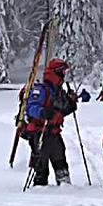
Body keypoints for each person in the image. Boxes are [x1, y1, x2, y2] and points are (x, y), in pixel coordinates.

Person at [24, 58, 77, 186]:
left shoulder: (59, 91)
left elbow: (62, 111)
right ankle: (40, 193)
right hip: (40, 132)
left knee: (61, 161)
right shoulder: (41, 89)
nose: (64, 75)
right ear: (56, 72)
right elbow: (31, 108)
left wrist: (71, 104)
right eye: (62, 71)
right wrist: (43, 112)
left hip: (54, 132)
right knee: (41, 165)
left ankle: (66, 189)